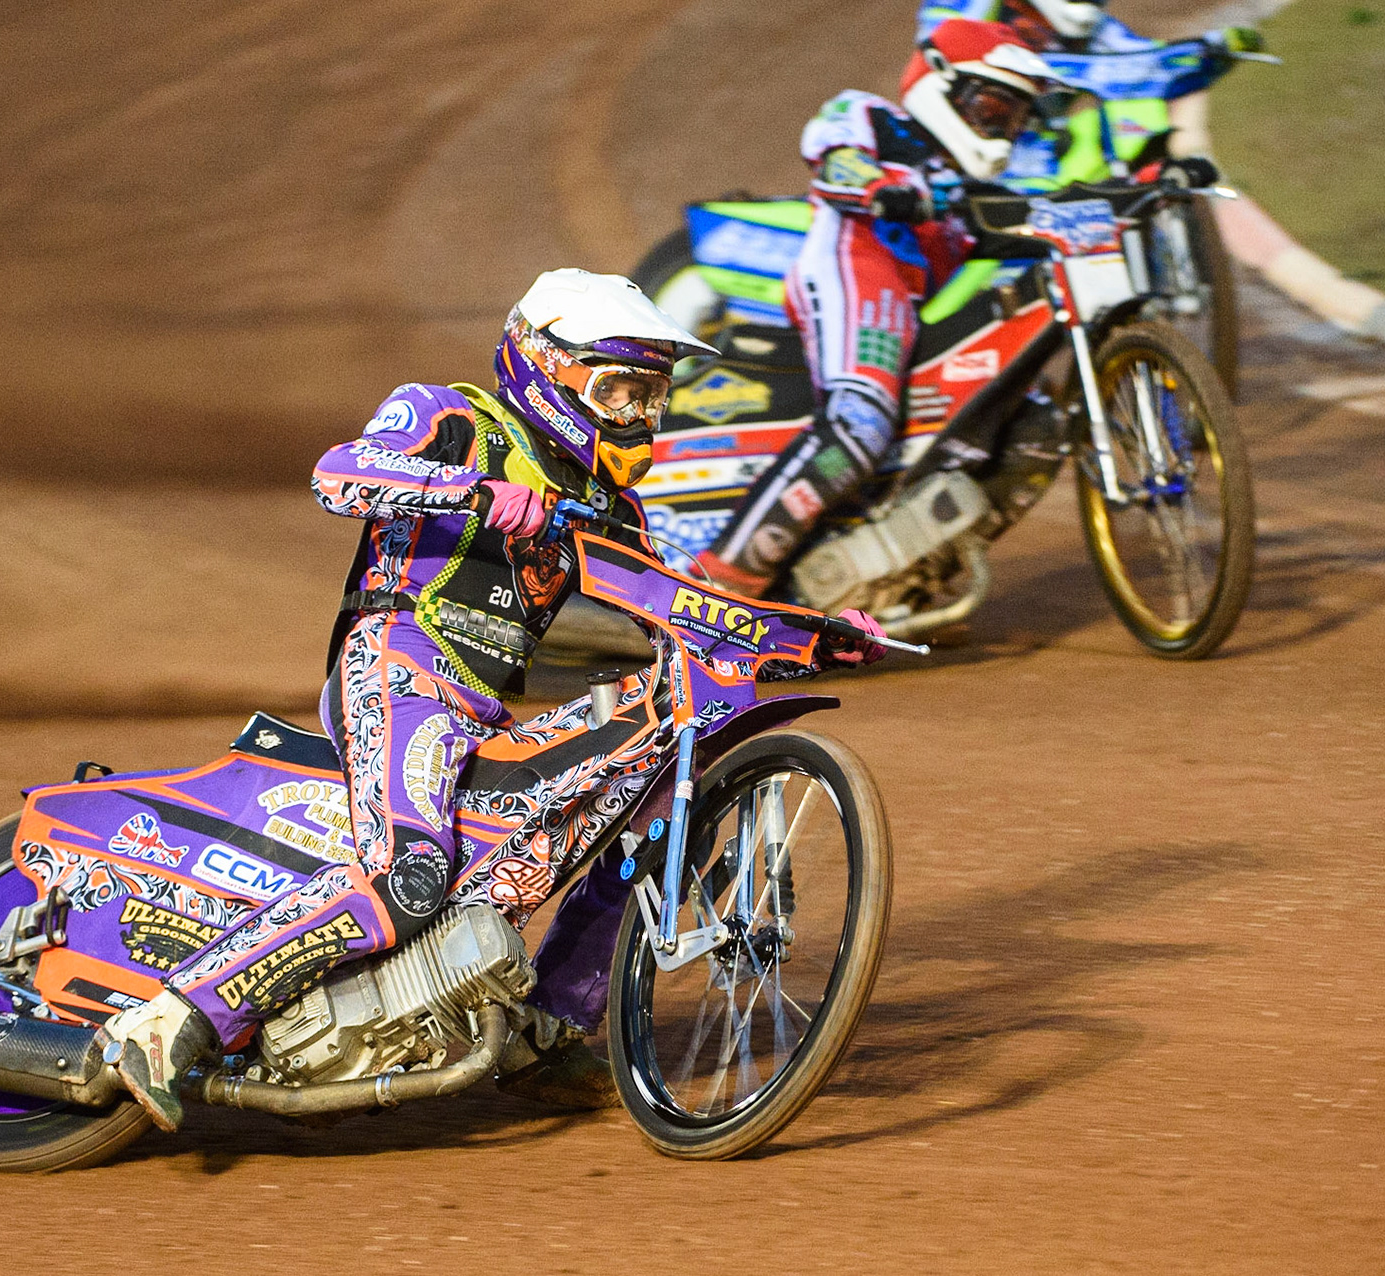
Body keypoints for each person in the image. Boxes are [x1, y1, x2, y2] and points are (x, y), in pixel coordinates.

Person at [96, 269, 890, 1129]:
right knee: (410, 874)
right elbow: (338, 475)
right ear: (547, 366)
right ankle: (168, 1022)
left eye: (652, 397)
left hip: (478, 708)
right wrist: (477, 496)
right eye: (619, 390)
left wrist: (811, 636)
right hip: (397, 666)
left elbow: (678, 606)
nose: (638, 416)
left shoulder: (606, 508)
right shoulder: (451, 416)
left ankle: (550, 1029)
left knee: (637, 806)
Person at [695, 19, 1057, 597]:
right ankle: (725, 578)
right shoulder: (872, 116)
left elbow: (1047, 215)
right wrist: (887, 188)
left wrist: (1147, 188)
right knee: (860, 422)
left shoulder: (968, 188)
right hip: (857, 269)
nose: (1003, 130)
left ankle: (902, 582)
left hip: (919, 308)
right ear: (943, 85)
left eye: (1014, 118)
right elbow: (834, 162)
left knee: (1035, 427)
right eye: (993, 108)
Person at [914, 0, 1266, 184]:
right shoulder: (969, 6)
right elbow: (940, 44)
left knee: (1136, 115)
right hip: (966, 154)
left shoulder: (1095, 29)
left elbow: (1143, 61)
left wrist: (1208, 52)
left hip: (1045, 152)